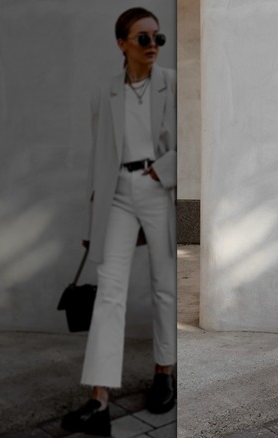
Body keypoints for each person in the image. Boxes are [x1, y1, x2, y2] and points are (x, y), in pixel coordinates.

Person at [61, 7, 177, 436]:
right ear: (122, 43)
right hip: (117, 196)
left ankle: (164, 373)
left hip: (158, 189)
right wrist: (92, 228)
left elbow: (191, 145)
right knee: (110, 293)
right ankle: (99, 400)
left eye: (157, 37)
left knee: (165, 286)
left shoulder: (172, 84)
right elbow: (99, 163)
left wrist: (162, 170)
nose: (152, 45)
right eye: (142, 37)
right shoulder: (106, 93)